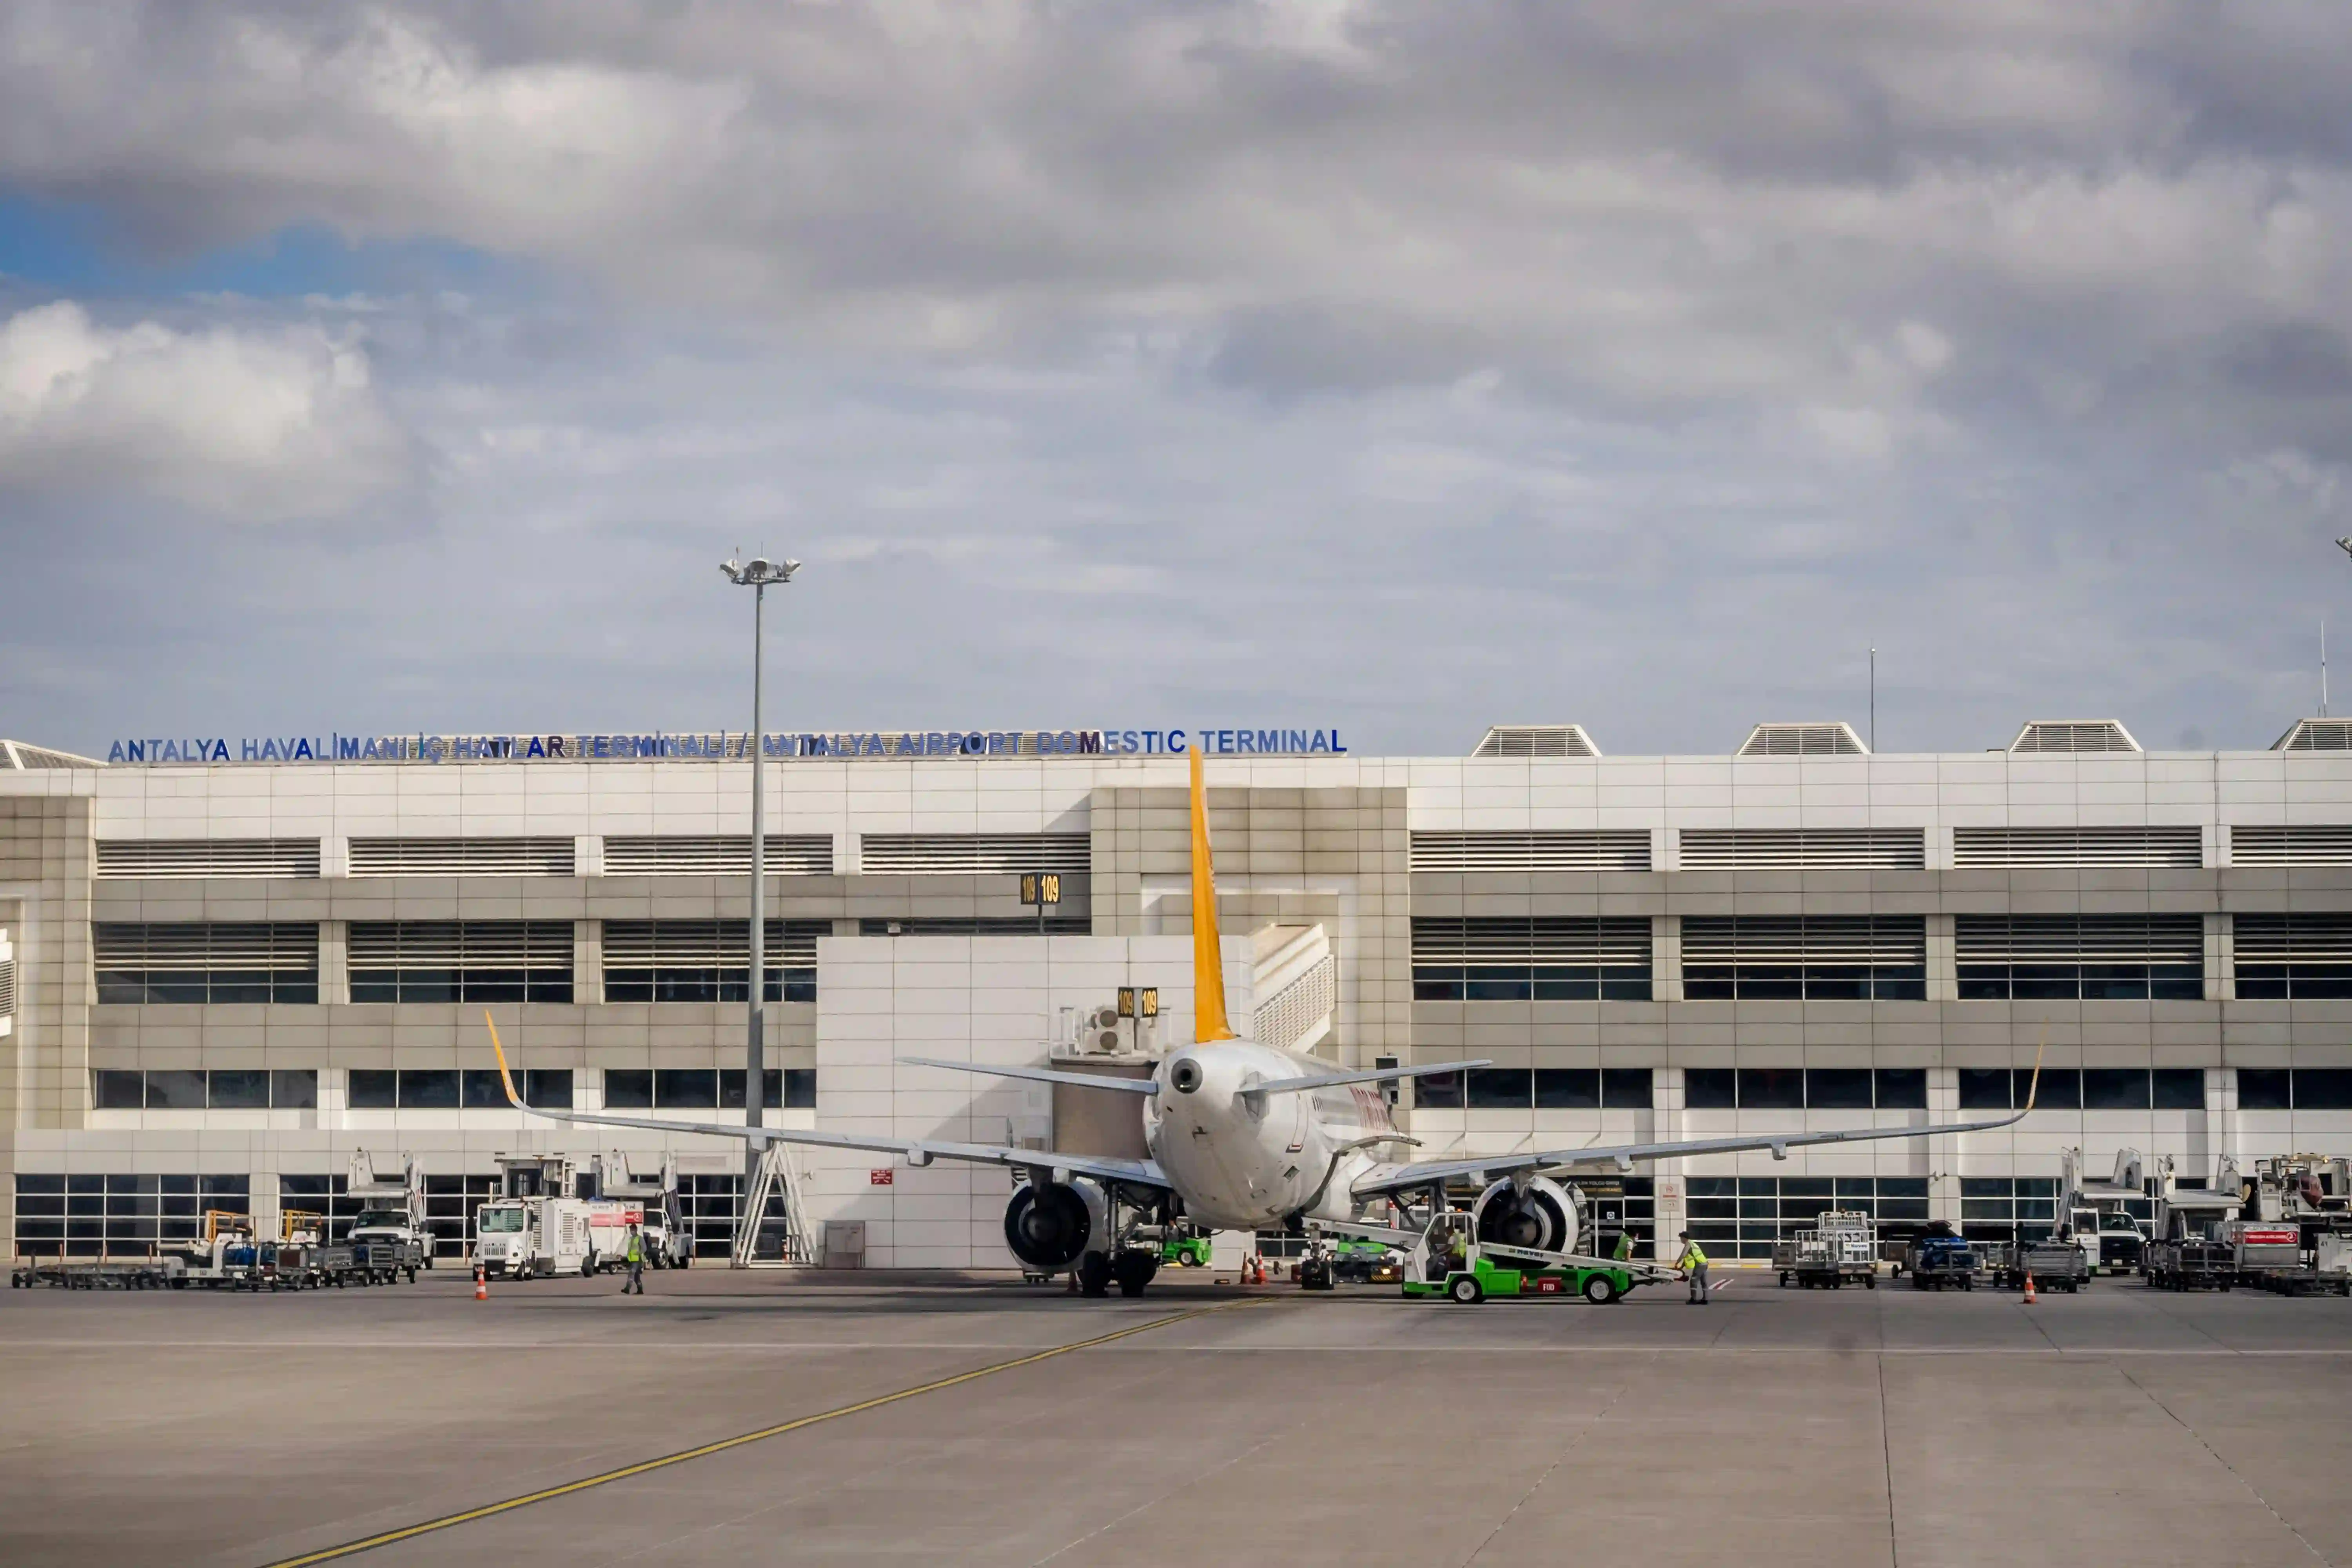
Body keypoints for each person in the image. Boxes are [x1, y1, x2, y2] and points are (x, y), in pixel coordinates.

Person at [1677, 1230, 1709, 1305]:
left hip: (1700, 1265)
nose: (1681, 1240)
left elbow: (1683, 1255)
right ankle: (1705, 1299)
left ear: (1684, 1238)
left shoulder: (1688, 1245)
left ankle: (1693, 1299)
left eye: (1681, 1238)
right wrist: (1681, 1267)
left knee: (1693, 1281)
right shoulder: (1693, 1244)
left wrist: (1677, 1263)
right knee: (1704, 1282)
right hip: (1705, 1264)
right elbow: (1687, 1258)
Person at [621, 1226, 645, 1295]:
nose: (631, 1231)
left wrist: (638, 1253)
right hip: (632, 1260)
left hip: (638, 1260)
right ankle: (640, 1289)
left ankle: (627, 1289)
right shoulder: (631, 1239)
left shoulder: (640, 1239)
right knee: (636, 1277)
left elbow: (644, 1249)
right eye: (631, 1230)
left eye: (633, 1230)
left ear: (636, 1230)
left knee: (632, 1273)